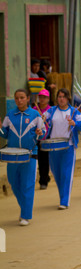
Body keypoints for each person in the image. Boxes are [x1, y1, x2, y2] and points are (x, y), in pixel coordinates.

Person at [0, 89, 45, 226]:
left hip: (30, 154)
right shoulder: (10, 115)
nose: (19, 100)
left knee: (28, 185)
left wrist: (39, 132)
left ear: (27, 99)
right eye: (17, 98)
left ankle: (25, 215)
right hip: (13, 155)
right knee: (14, 183)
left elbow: (42, 134)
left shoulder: (35, 114)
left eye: (22, 97)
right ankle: (24, 207)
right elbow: (5, 134)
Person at [45, 88, 81, 209]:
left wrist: (74, 123)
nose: (61, 99)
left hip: (68, 146)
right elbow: (42, 121)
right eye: (59, 96)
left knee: (66, 174)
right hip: (53, 146)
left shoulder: (74, 112)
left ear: (68, 98)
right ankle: (62, 196)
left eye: (63, 96)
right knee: (56, 173)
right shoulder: (52, 111)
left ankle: (64, 201)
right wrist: (42, 122)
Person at [33, 89, 52, 189]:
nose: (42, 99)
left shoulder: (51, 110)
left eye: (44, 97)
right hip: (36, 139)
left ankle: (44, 180)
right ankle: (44, 179)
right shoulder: (34, 110)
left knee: (45, 160)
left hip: (47, 138)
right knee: (40, 160)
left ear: (48, 99)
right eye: (40, 97)